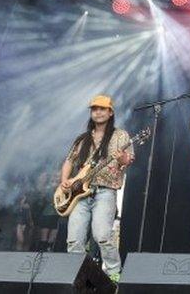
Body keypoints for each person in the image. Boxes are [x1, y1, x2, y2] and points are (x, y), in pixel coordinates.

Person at [60, 95, 134, 282]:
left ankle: (114, 274)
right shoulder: (83, 138)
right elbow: (69, 161)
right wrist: (64, 181)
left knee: (102, 236)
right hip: (79, 194)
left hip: (105, 191)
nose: (98, 112)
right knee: (74, 241)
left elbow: (129, 160)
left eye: (102, 109)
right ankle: (79, 277)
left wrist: (121, 159)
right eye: (94, 109)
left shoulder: (121, 135)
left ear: (110, 112)